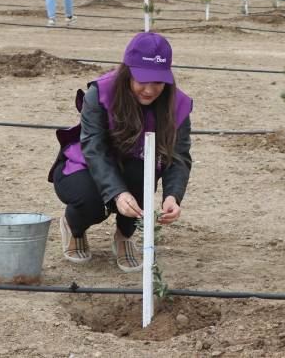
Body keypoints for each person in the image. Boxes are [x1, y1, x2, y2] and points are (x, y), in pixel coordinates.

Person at [48, 32, 193, 270]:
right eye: (142, 80)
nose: (149, 90)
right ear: (128, 73)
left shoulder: (177, 105)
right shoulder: (101, 93)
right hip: (84, 165)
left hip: (134, 164)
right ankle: (74, 228)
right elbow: (94, 147)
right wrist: (117, 193)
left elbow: (179, 155)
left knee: (143, 175)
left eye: (157, 82)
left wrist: (172, 196)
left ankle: (124, 236)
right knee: (89, 200)